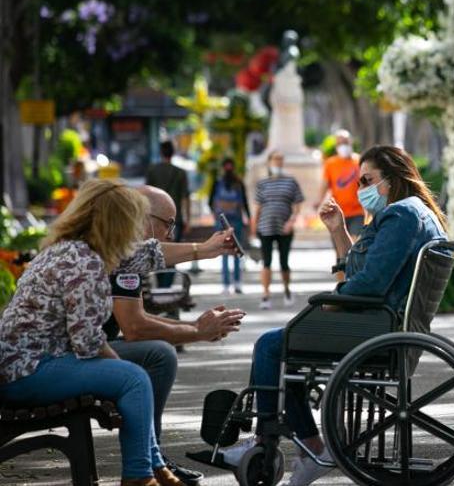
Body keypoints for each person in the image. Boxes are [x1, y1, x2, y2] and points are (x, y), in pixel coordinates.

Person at [222, 145, 448, 486]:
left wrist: (332, 301)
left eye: (368, 180)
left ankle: (269, 441)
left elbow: (370, 283)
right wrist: (337, 231)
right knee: (287, 349)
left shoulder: (401, 215)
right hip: (380, 322)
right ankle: (308, 447)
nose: (362, 190)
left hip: (375, 326)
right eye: (359, 183)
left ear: (393, 177)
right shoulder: (413, 213)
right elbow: (357, 272)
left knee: (270, 345)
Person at [0, 180, 185, 486]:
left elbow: (147, 256)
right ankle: (140, 476)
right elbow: (87, 342)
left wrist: (206, 249)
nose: (137, 229)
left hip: (28, 364)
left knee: (136, 370)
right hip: (30, 371)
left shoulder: (72, 249)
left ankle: (153, 466)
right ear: (118, 222)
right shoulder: (83, 261)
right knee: (133, 378)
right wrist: (121, 368)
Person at [107, 185, 246, 485]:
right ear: (141, 217)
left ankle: (150, 461)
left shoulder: (117, 248)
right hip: (53, 360)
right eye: (168, 224)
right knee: (158, 355)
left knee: (156, 352)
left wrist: (194, 328)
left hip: (73, 351)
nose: (169, 234)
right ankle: (145, 467)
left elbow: (136, 320)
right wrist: (196, 332)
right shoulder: (114, 248)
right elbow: (134, 329)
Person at [251, 150, 305, 310]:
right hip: (265, 227)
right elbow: (258, 207)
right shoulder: (262, 183)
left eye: (281, 159)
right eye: (275, 159)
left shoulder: (291, 182)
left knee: (284, 262)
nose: (278, 162)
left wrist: (292, 221)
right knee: (266, 262)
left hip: (285, 228)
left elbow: (297, 205)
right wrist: (253, 227)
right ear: (269, 162)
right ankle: (266, 295)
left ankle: (287, 291)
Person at [209, 158, 251, 294]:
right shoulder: (239, 183)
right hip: (236, 221)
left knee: (224, 252)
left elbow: (210, 202)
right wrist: (249, 218)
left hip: (221, 221)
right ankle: (237, 283)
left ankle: (226, 284)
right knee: (237, 251)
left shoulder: (217, 183)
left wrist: (215, 215)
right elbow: (245, 202)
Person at [318, 129, 365, 239]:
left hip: (358, 212)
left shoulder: (360, 161)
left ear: (351, 142)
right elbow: (325, 183)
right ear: (336, 145)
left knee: (354, 243)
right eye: (340, 143)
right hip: (337, 212)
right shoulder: (330, 163)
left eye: (345, 142)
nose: (343, 145)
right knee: (340, 247)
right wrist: (319, 201)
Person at [146, 140, 190, 242]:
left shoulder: (152, 171)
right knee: (175, 249)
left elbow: (146, 195)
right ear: (173, 153)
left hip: (156, 218)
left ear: (161, 153)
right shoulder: (180, 173)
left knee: (159, 250)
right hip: (175, 218)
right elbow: (185, 198)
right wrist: (187, 220)